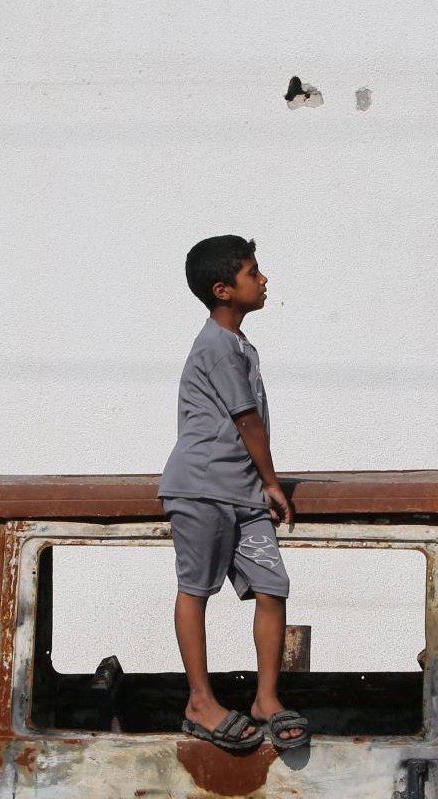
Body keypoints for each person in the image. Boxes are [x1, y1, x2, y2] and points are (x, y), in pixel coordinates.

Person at [158, 235, 309, 754]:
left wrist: (260, 484)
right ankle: (200, 700)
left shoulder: (241, 345)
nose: (263, 280)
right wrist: (273, 481)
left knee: (273, 587)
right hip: (203, 487)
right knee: (196, 590)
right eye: (252, 272)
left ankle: (266, 698)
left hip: (243, 492)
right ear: (224, 289)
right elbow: (246, 419)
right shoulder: (217, 346)